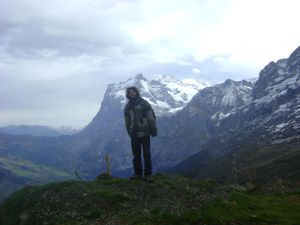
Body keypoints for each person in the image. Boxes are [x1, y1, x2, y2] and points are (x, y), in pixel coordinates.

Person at [124, 86, 157, 182]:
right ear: (128, 95)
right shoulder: (128, 106)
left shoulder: (144, 103)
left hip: (145, 133)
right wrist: (130, 132)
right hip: (134, 134)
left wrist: (153, 130)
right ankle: (138, 174)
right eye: (130, 92)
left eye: (133, 92)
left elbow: (151, 117)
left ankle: (148, 175)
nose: (132, 93)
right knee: (136, 155)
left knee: (146, 154)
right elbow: (127, 122)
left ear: (136, 92)